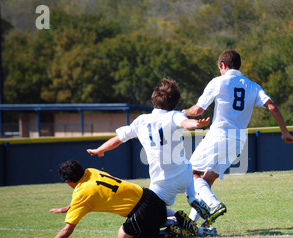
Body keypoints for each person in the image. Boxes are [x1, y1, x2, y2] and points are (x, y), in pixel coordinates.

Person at [183, 49, 293, 227]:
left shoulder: (219, 82)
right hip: (238, 140)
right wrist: (285, 132)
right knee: (207, 180)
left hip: (219, 134)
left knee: (192, 172)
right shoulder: (252, 85)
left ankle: (214, 205)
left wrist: (183, 113)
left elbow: (197, 111)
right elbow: (272, 107)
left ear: (222, 65)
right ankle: (193, 222)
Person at [87, 79, 211, 223]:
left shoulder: (141, 120)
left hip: (161, 181)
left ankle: (178, 222)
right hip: (184, 177)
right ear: (175, 102)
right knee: (189, 167)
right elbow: (185, 123)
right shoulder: (174, 115)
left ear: (154, 99)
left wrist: (100, 150)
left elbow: (118, 139)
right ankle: (191, 198)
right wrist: (197, 124)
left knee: (152, 214)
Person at [33, 160, 196, 238]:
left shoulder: (81, 193)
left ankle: (167, 232)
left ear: (68, 181)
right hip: (151, 197)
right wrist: (67, 208)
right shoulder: (91, 172)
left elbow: (67, 229)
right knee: (149, 219)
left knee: (122, 235)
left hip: (143, 212)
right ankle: (177, 219)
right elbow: (86, 197)